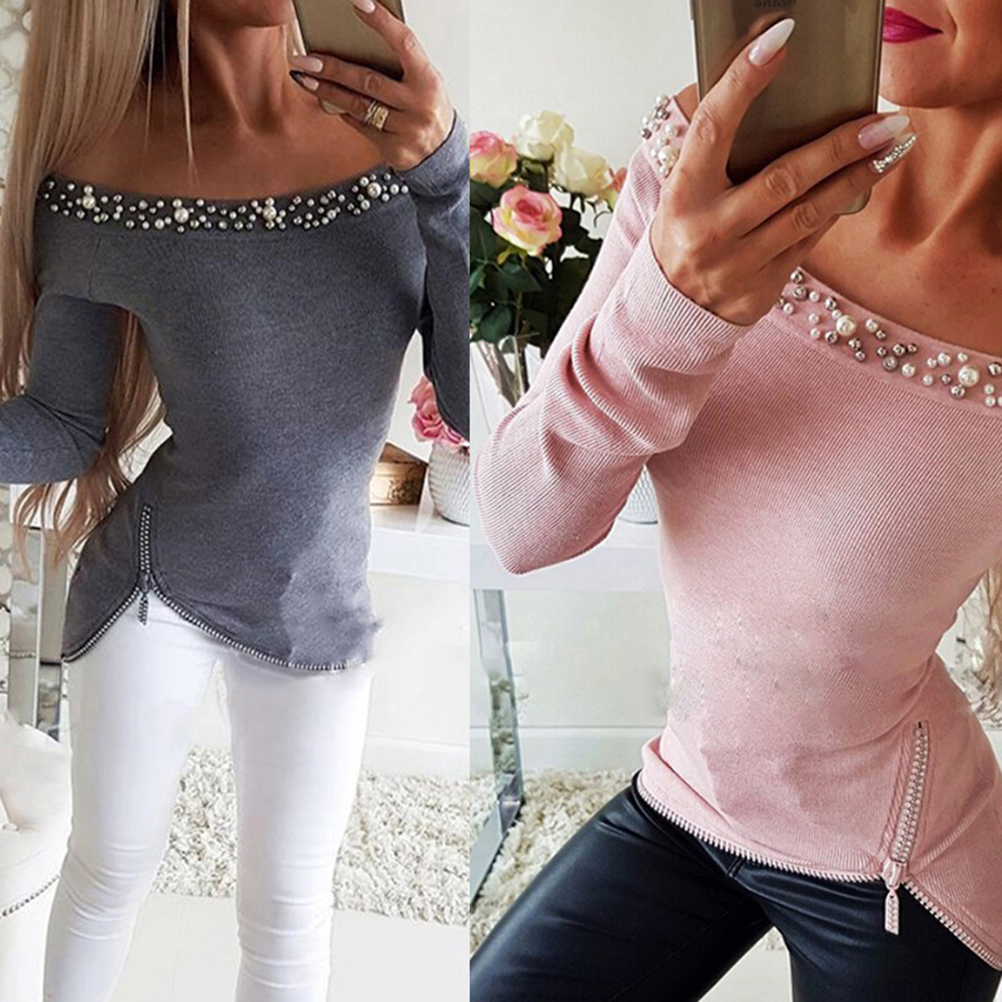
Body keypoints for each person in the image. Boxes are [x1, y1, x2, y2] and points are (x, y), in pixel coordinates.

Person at [471, 12, 1002, 1002]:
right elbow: (521, 523)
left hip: (901, 873)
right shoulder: (713, 159)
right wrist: (672, 303)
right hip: (690, 792)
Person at [0, 1, 468, 1000]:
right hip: (152, 589)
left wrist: (443, 175)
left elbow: (469, 405)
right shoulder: (103, 170)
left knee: (290, 913)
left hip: (320, 597)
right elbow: (67, 425)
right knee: (109, 871)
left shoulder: (399, 141)